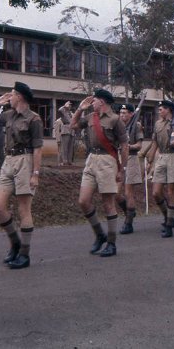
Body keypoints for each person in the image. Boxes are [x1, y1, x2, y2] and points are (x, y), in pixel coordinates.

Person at [0, 82, 43, 269]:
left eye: (11, 94)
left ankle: (24, 254)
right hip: (9, 161)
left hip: (25, 161)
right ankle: (15, 243)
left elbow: (37, 149)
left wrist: (35, 174)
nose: (9, 97)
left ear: (19, 96)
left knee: (23, 210)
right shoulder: (9, 114)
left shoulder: (33, 118)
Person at [71, 89, 129, 257]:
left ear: (101, 101)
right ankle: (99, 234)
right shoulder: (90, 117)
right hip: (91, 159)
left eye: (94, 100)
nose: (92, 103)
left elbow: (124, 146)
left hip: (107, 160)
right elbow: (73, 125)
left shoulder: (115, 120)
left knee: (108, 204)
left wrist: (122, 169)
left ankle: (111, 243)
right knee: (83, 201)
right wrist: (80, 109)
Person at [142, 100, 174, 238]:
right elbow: (154, 142)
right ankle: (167, 215)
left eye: (162, 109)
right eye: (159, 108)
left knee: (171, 191)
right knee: (156, 192)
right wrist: (150, 161)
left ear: (169, 110)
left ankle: (170, 223)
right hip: (161, 157)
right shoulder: (157, 124)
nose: (159, 111)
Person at [116, 103, 144, 234]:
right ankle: (129, 213)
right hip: (118, 159)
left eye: (125, 112)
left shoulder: (136, 125)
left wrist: (128, 146)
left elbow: (139, 145)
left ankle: (128, 223)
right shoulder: (117, 125)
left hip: (131, 159)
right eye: (121, 112)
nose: (122, 115)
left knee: (128, 193)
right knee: (115, 193)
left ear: (131, 114)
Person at [59, 101, 75, 165]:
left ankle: (69, 160)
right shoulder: (63, 111)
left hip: (72, 130)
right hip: (65, 130)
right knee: (64, 147)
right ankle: (64, 160)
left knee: (71, 147)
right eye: (69, 105)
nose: (69, 106)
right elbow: (60, 109)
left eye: (70, 105)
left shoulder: (72, 113)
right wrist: (65, 106)